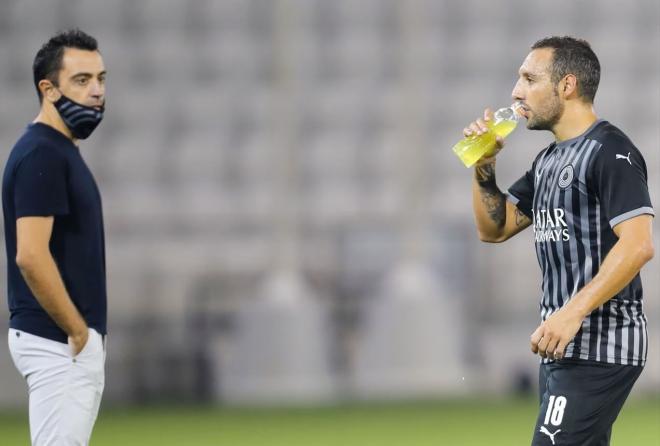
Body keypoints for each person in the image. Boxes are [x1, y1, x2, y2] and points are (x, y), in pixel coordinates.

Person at [465, 36, 654, 445]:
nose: (516, 91)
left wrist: (572, 313)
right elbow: (493, 229)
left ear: (566, 86)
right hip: (561, 345)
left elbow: (639, 245)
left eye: (529, 78)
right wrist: (484, 167)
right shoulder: (548, 161)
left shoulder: (610, 150)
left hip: (600, 343)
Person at [2, 29, 107, 445]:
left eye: (101, 78)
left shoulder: (59, 150)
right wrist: (78, 333)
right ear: (48, 89)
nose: (96, 91)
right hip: (57, 342)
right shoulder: (43, 153)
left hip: (61, 341)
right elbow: (30, 254)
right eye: (82, 80)